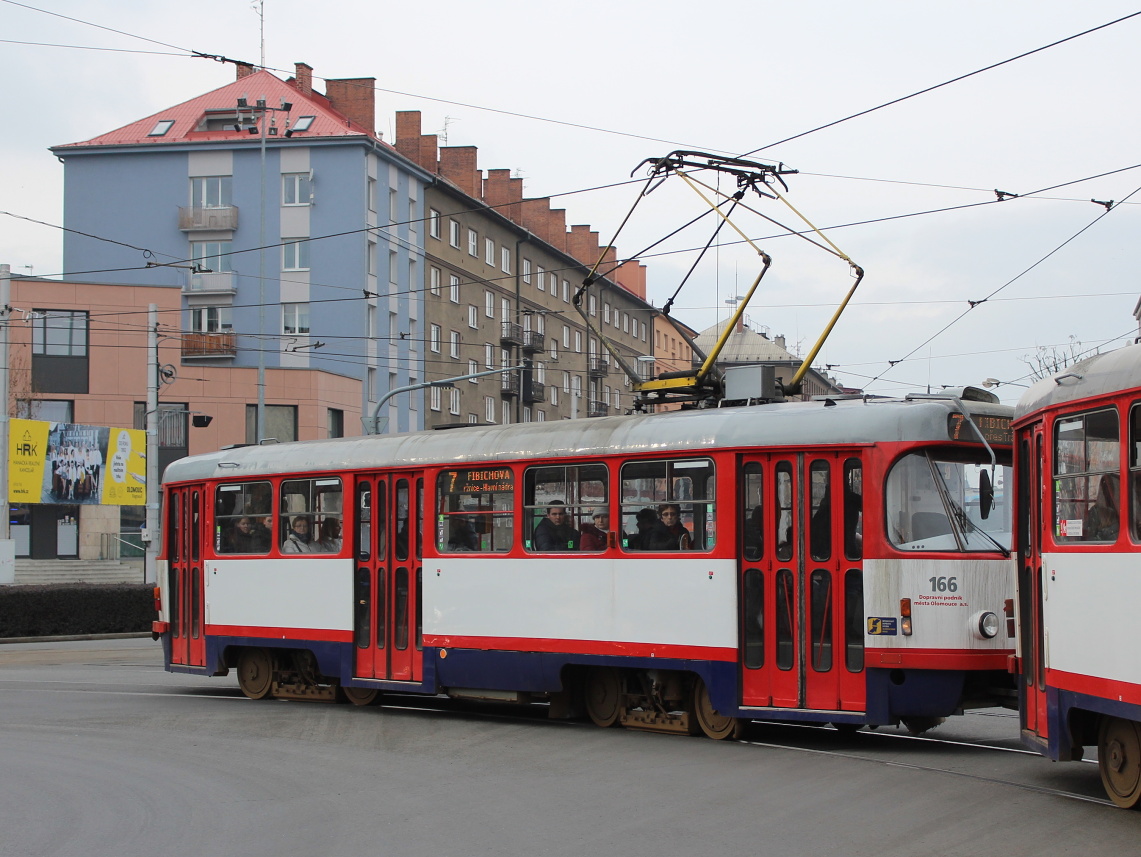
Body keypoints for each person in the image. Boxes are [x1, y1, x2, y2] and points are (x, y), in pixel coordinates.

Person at [1085, 474, 1120, 541]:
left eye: (1109, 489)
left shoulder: (1113, 510)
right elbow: (1090, 537)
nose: (1107, 492)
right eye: (1105, 489)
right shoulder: (1094, 511)